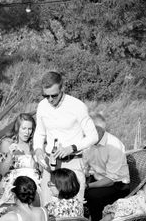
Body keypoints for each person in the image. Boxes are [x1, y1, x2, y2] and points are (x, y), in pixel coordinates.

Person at [32, 71, 99, 205]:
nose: (50, 99)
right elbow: (39, 132)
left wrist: (71, 148)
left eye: (54, 95)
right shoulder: (42, 106)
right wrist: (38, 149)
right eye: (46, 96)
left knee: (74, 210)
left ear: (62, 89)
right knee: (47, 210)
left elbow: (93, 136)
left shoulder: (77, 106)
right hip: (51, 165)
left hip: (72, 164)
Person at [84, 113, 130, 221]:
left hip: (118, 184)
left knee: (91, 195)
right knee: (72, 190)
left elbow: (110, 180)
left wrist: (87, 185)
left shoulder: (114, 145)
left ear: (100, 130)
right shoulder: (89, 142)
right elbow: (84, 166)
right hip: (98, 179)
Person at [0, 113, 41, 197]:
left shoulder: (35, 144)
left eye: (30, 129)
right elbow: (1, 171)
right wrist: (10, 155)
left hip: (33, 186)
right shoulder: (6, 143)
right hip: (13, 185)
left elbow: (41, 170)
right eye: (24, 128)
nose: (27, 132)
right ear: (17, 128)